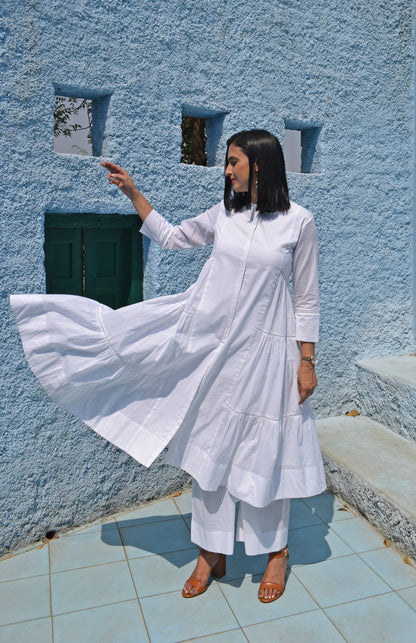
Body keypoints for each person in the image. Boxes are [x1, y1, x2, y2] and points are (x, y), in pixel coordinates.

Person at [10, 129, 325, 603]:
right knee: (209, 452)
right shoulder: (225, 214)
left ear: (259, 165)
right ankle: (211, 552)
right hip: (213, 354)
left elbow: (306, 297)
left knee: (264, 453)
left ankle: (274, 553)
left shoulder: (299, 222)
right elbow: (175, 238)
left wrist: (307, 361)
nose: (227, 170)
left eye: (234, 161)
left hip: (267, 356)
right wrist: (135, 194)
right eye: (227, 161)